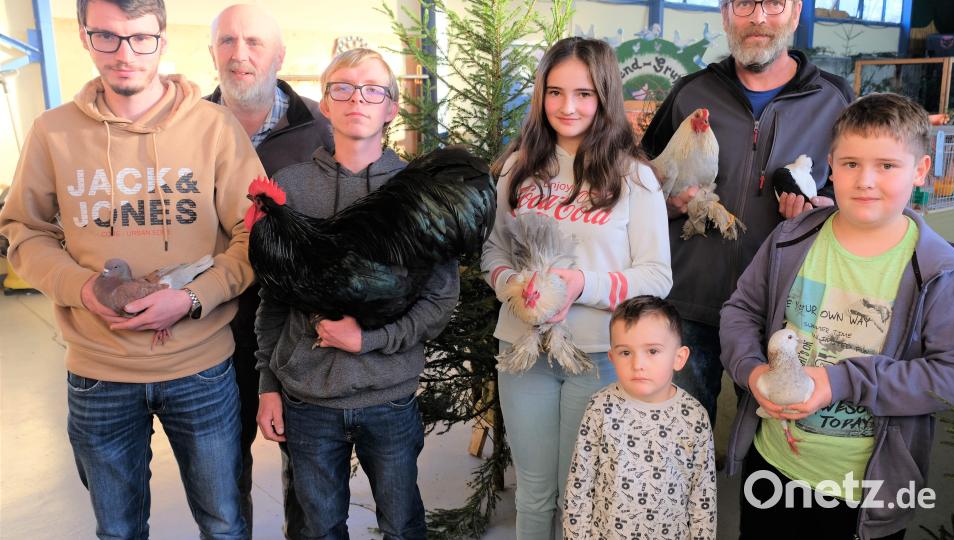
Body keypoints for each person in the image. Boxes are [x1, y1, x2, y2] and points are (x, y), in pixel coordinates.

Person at [0, 0, 261, 537]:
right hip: (99, 373)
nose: (125, 54)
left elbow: (257, 232)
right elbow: (22, 229)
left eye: (140, 37)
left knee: (225, 523)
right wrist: (86, 288)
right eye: (108, 37)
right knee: (117, 529)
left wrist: (193, 298)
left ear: (161, 40)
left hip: (202, 368)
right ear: (84, 37)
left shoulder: (215, 127)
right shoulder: (53, 132)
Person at [719, 93, 954, 539]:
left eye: (887, 165)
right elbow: (740, 311)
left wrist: (841, 382)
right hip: (773, 464)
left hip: (864, 489)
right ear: (830, 165)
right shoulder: (790, 239)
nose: (865, 180)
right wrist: (752, 374)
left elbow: (951, 376)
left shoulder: (940, 271)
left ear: (921, 170)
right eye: (850, 164)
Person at [254, 48, 460, 540]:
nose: (357, 100)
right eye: (342, 88)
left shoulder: (420, 191)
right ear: (325, 103)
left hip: (388, 396)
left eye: (373, 90)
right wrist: (267, 383)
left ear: (391, 107)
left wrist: (367, 340)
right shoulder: (290, 186)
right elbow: (274, 298)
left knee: (402, 522)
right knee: (318, 528)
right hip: (306, 399)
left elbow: (439, 301)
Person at [482, 37, 672, 539]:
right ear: (541, 95)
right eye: (555, 92)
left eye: (584, 94)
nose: (568, 107)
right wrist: (510, 285)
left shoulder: (635, 178)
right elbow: (493, 253)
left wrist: (579, 284)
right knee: (534, 492)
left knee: (581, 497)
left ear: (605, 96)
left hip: (597, 357)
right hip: (522, 355)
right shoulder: (518, 170)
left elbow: (657, 276)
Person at [641, 0, 854, 424]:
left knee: (770, 435)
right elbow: (641, 174)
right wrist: (664, 204)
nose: (759, 17)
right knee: (678, 435)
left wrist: (824, 206)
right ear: (725, 15)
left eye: (774, 4)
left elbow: (851, 181)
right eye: (744, 4)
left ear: (795, 14)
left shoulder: (833, 99)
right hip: (688, 299)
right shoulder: (690, 92)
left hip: (778, 306)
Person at [206, 5, 333, 537]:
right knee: (221, 477)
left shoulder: (322, 132)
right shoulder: (186, 128)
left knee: (308, 477)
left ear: (279, 55)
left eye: (255, 43)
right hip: (213, 328)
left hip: (298, 330)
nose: (241, 54)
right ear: (212, 53)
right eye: (228, 41)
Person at [564, 296, 716, 539]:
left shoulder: (694, 416)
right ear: (612, 358)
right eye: (625, 352)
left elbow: (703, 496)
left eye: (653, 351)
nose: (638, 364)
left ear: (679, 358)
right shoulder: (600, 407)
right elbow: (579, 486)